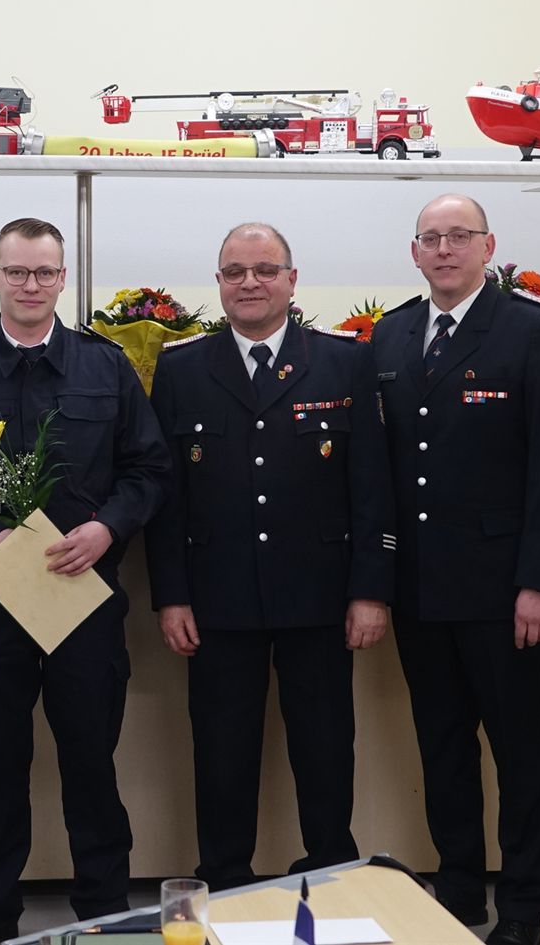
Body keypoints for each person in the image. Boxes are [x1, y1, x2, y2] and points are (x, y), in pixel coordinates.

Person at [0, 218, 171, 945]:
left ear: (62, 278)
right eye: (16, 272)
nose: (30, 285)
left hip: (84, 599)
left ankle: (105, 908)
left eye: (44, 272)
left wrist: (107, 527)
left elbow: (149, 469)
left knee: (91, 759)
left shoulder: (105, 367)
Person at [143, 222, 395, 892]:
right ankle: (225, 883)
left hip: (321, 596)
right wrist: (171, 595)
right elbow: (166, 495)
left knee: (325, 748)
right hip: (217, 598)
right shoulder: (182, 367)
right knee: (221, 752)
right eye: (234, 272)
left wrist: (370, 590)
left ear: (291, 279)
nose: (249, 282)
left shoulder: (343, 361)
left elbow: (372, 487)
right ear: (219, 282)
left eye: (264, 270)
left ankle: (331, 876)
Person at [368, 194, 540, 945]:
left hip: (505, 592)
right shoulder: (393, 333)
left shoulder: (534, 330)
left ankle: (523, 908)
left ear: (488, 246)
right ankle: (461, 888)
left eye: (458, 236)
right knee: (443, 746)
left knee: (519, 749)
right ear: (414, 251)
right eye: (430, 238)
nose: (444, 249)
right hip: (421, 587)